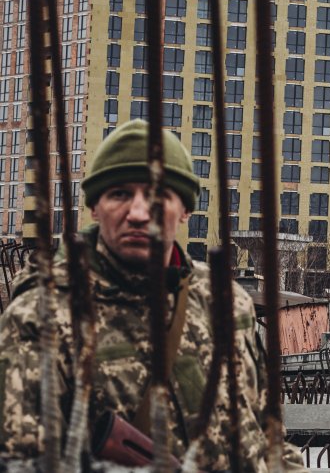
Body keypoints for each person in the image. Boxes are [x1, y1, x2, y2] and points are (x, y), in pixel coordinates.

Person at [0, 120, 306, 470]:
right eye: (119, 194)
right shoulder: (42, 315)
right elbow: (20, 461)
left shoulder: (225, 302)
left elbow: (269, 438)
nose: (139, 213)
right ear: (94, 208)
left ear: (186, 210)